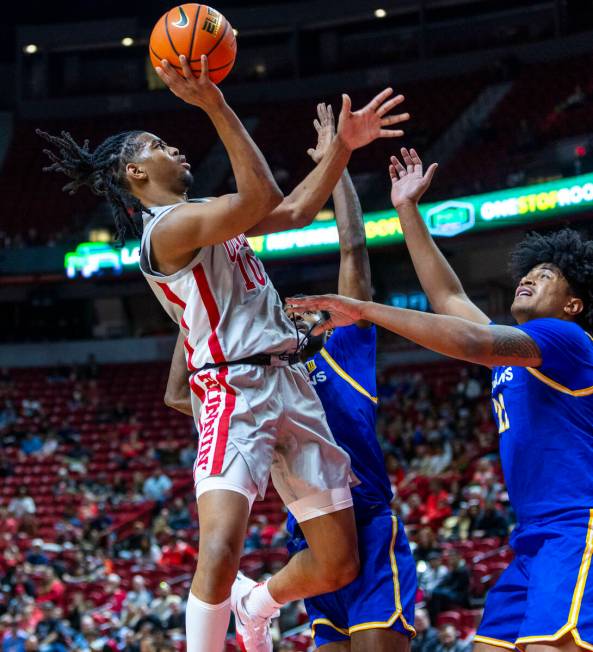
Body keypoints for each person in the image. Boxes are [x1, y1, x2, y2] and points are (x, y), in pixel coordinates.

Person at [39, 53, 409, 652]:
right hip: (231, 388)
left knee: (339, 564)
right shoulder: (165, 230)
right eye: (160, 144)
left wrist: (343, 148)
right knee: (219, 547)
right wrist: (213, 102)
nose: (177, 150)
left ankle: (255, 602)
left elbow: (291, 212)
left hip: (292, 383)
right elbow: (262, 194)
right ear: (135, 171)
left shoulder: (204, 218)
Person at [287, 147, 593, 652]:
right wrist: (408, 210)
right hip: (534, 537)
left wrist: (364, 308)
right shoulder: (520, 355)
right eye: (529, 269)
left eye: (547, 275)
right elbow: (449, 299)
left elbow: (469, 341)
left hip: (576, 527)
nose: (530, 276)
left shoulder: (566, 339)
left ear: (573, 304)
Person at [167, 102, 417, 651]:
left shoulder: (343, 351)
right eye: (288, 310)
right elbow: (177, 393)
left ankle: (255, 603)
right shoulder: (265, 372)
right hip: (306, 534)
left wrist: (339, 167)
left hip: (369, 522)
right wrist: (199, 317)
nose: (294, 313)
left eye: (305, 312)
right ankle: (258, 603)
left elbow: (353, 251)